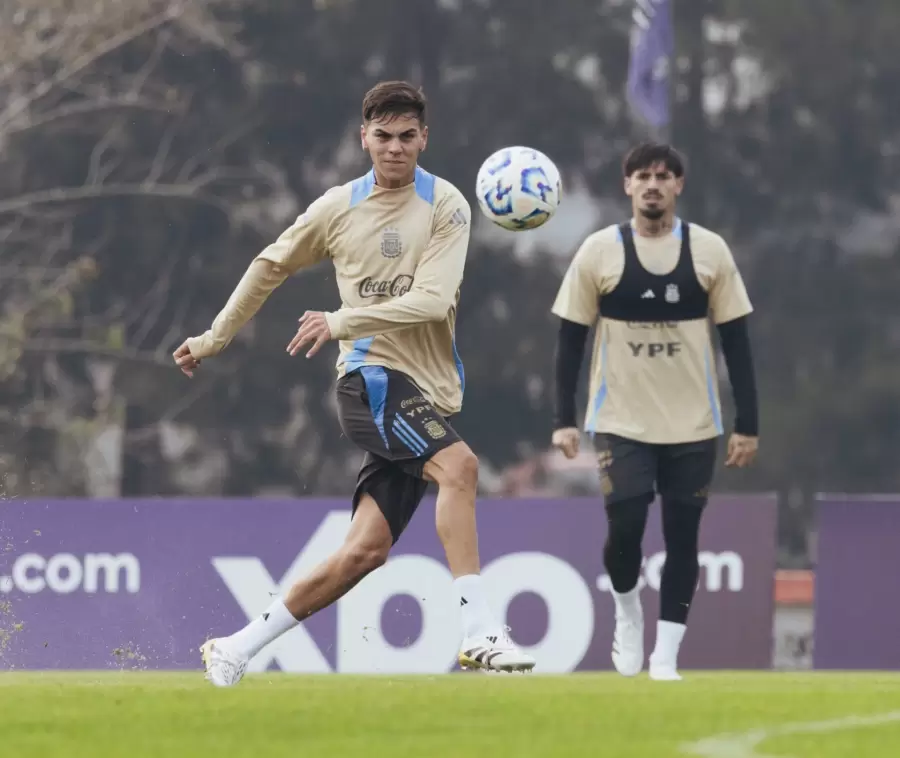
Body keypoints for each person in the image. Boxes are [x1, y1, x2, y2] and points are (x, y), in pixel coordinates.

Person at [173, 80, 536, 685]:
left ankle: (234, 647)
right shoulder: (337, 208)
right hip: (370, 381)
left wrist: (339, 319)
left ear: (425, 138)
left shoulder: (446, 205)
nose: (395, 148)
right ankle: (479, 631)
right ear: (363, 137)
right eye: (383, 136)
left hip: (425, 392)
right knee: (461, 468)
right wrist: (215, 336)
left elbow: (432, 301)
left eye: (407, 136)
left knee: (364, 553)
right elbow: (270, 264)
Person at [549, 142, 758, 681]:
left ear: (678, 186)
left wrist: (748, 424)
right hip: (621, 422)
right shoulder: (599, 252)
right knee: (625, 530)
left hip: (693, 425)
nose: (652, 185)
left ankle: (666, 656)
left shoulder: (709, 251)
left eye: (663, 176)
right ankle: (627, 611)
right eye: (642, 176)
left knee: (683, 538)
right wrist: (563, 419)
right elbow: (569, 341)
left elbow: (737, 342)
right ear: (627, 186)